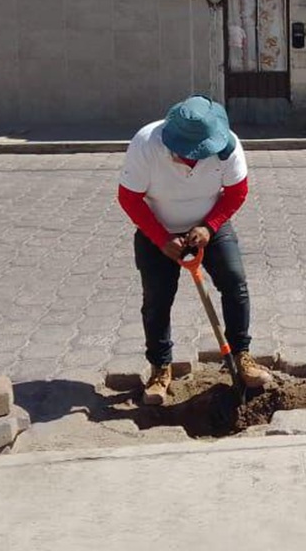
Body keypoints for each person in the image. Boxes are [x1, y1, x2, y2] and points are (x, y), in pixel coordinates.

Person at [117, 96, 272, 405]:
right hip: (157, 229)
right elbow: (129, 198)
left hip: (207, 226)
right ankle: (160, 368)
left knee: (234, 282)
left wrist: (210, 227)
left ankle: (242, 355)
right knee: (157, 300)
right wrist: (161, 239)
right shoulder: (146, 145)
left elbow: (237, 192)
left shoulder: (227, 147)